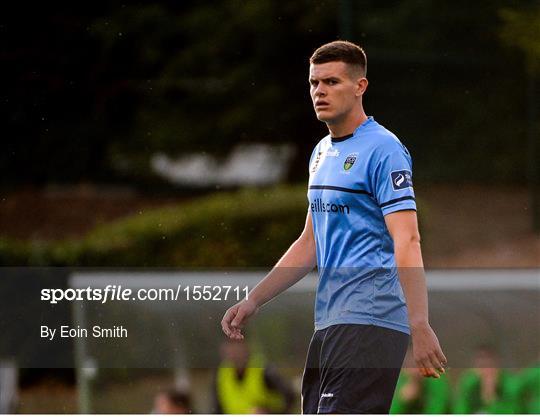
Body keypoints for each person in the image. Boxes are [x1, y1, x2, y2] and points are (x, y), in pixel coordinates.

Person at [221, 40, 446, 414]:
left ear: (360, 87)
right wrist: (254, 298)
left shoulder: (384, 149)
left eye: (332, 82)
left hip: (370, 321)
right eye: (314, 83)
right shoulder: (321, 152)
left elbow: (407, 239)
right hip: (330, 323)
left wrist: (419, 323)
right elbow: (310, 242)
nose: (319, 91)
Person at [212, 337, 295, 414]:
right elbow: (217, 409)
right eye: (229, 344)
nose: (233, 350)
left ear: (247, 346)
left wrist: (269, 412)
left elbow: (290, 398)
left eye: (237, 344)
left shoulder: (264, 371)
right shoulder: (221, 375)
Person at [453, 345, 520, 414]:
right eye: (481, 366)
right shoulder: (469, 382)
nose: (486, 371)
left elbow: (512, 410)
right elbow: (460, 409)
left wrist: (491, 398)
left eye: (490, 365)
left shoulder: (509, 383)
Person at [390, 348, 451, 414]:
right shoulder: (400, 380)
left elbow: (438, 409)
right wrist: (402, 401)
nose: (415, 371)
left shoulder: (436, 379)